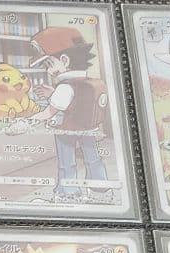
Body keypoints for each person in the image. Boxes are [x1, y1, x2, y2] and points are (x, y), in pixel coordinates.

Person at [28, 26, 110, 202]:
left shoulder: (65, 87)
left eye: (48, 64)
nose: (47, 70)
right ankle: (101, 189)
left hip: (66, 131)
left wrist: (29, 120)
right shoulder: (90, 82)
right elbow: (77, 101)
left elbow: (49, 112)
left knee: (67, 163)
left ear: (64, 60)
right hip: (89, 128)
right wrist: (53, 94)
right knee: (93, 159)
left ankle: (68, 193)